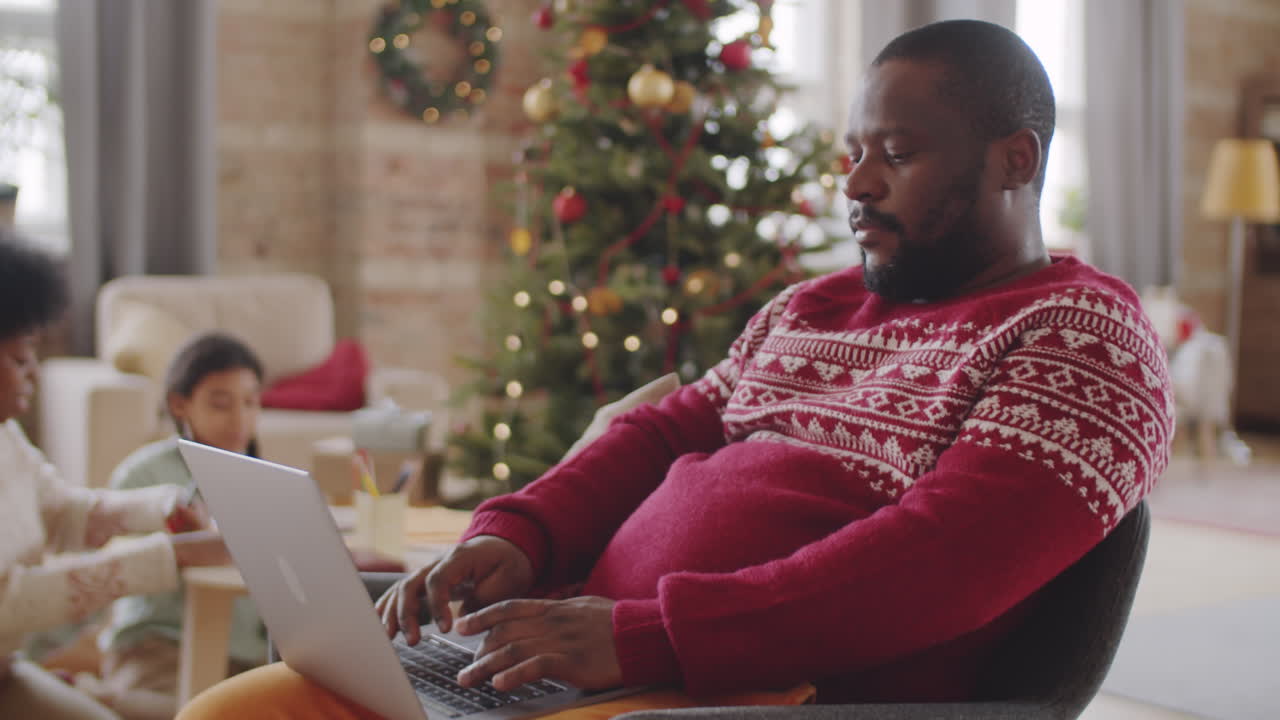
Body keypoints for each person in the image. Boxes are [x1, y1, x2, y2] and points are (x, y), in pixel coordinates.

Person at [177, 19, 1174, 718]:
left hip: (744, 699)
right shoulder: (809, 306)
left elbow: (937, 565)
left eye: (895, 154)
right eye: (850, 150)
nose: (853, 183)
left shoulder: (1078, 338)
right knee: (239, 710)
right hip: (579, 663)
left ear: (1013, 159)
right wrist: (518, 533)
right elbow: (661, 429)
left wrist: (642, 637)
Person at [0, 227, 232, 720]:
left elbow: (64, 511)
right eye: (21, 358)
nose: (34, 373)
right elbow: (10, 605)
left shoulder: (8, 438)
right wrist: (173, 557)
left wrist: (165, 507)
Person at [79, 333, 269, 720]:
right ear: (179, 404)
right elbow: (121, 565)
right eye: (220, 403)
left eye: (250, 403)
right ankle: (98, 699)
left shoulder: (264, 481)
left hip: (246, 653)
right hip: (160, 645)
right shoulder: (144, 475)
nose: (240, 419)